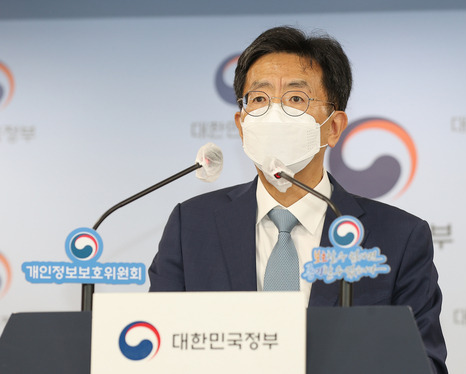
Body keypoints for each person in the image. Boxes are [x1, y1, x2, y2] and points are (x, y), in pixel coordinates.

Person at [149, 26, 448, 373]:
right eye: (259, 100)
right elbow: (160, 349)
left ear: (334, 127)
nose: (273, 115)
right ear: (242, 123)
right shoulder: (192, 226)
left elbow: (423, 363)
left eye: (295, 100)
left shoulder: (398, 237)